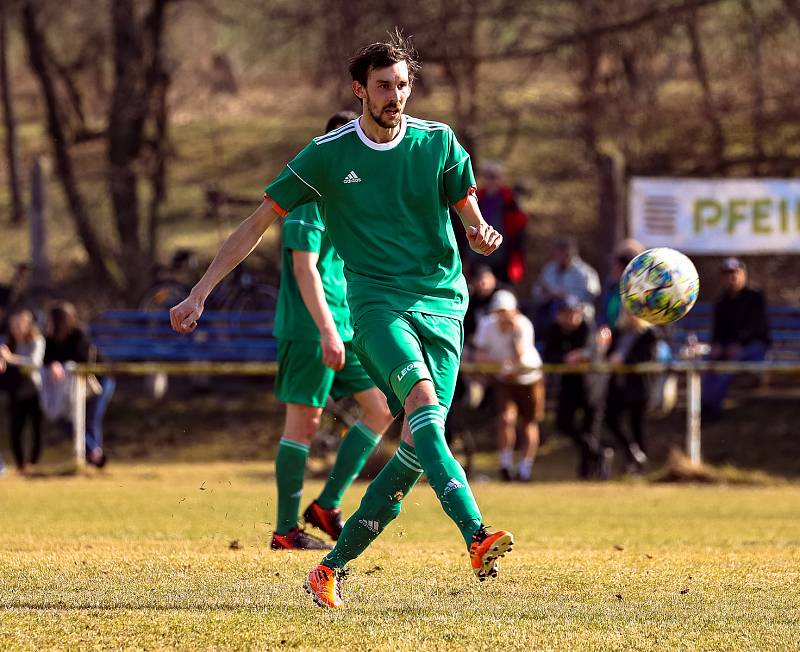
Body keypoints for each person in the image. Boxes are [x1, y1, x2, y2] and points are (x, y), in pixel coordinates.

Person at [169, 30, 511, 609]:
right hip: (376, 306)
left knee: (411, 454)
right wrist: (199, 291)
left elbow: (469, 214)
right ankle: (477, 534)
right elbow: (255, 226)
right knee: (422, 409)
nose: (394, 96)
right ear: (360, 89)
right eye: (383, 86)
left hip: (446, 304)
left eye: (403, 85)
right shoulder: (327, 156)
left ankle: (329, 569)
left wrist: (479, 232)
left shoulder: (439, 142)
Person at [270, 111, 394, 551]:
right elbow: (305, 267)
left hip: (346, 325)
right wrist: (324, 329)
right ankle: (285, 531)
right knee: (303, 424)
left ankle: (326, 504)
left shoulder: (348, 194)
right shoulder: (309, 194)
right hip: (311, 328)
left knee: (382, 408)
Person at [473, 290, 544, 482]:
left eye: (506, 311)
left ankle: (525, 469)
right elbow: (479, 355)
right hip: (505, 379)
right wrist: (499, 366)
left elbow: (520, 356)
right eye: (499, 311)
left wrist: (513, 334)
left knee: (529, 422)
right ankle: (505, 464)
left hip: (529, 378)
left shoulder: (523, 325)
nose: (502, 316)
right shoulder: (487, 325)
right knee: (505, 419)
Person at [44, 302, 115, 467]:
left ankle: (94, 457)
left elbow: (82, 360)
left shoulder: (78, 336)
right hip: (74, 387)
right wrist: (54, 363)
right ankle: (94, 454)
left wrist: (64, 364)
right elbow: (46, 358)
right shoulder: (50, 339)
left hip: (99, 382)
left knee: (91, 419)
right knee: (67, 421)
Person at [702, 258, 770, 417]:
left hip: (754, 346)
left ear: (743, 274)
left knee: (729, 364)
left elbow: (757, 327)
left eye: (735, 273)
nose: (731, 277)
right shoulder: (721, 301)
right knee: (709, 362)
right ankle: (705, 404)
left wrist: (739, 343)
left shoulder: (755, 297)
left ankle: (713, 406)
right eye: (727, 274)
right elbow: (718, 330)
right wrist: (717, 345)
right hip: (729, 347)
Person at [543, 296, 601, 479]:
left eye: (573, 313)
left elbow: (590, 352)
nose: (569, 318)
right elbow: (550, 355)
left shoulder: (588, 328)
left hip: (591, 385)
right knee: (563, 423)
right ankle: (598, 452)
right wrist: (567, 358)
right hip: (568, 384)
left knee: (590, 428)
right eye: (565, 314)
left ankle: (590, 471)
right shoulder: (554, 330)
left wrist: (578, 356)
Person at [602, 308, 659, 474]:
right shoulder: (618, 332)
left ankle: (639, 464)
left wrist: (623, 361)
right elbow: (609, 354)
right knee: (611, 420)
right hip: (618, 385)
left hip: (638, 387)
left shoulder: (649, 334)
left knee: (637, 425)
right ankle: (632, 452)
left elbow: (647, 357)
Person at [0, 309, 45, 474]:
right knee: (15, 429)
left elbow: (34, 363)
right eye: (12, 325)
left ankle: (33, 463)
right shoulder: (8, 343)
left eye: (18, 324)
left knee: (36, 428)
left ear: (27, 325)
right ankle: (20, 465)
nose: (15, 328)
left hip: (34, 389)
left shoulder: (37, 340)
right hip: (16, 390)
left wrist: (11, 358)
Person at [473, 161, 528, 284]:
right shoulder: (476, 198)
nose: (491, 180)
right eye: (488, 176)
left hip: (502, 256)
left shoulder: (509, 200)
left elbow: (519, 226)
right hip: (476, 255)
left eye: (494, 176)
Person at [533, 237, 600, 331]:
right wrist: (547, 293)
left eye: (562, 252)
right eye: (558, 252)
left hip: (577, 312)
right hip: (551, 311)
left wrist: (565, 296)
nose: (559, 256)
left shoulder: (585, 272)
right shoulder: (549, 269)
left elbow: (592, 295)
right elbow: (537, 291)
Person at [597, 239, 645, 329]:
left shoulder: (642, 290)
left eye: (617, 265)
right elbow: (602, 313)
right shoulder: (610, 285)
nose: (613, 268)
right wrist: (603, 327)